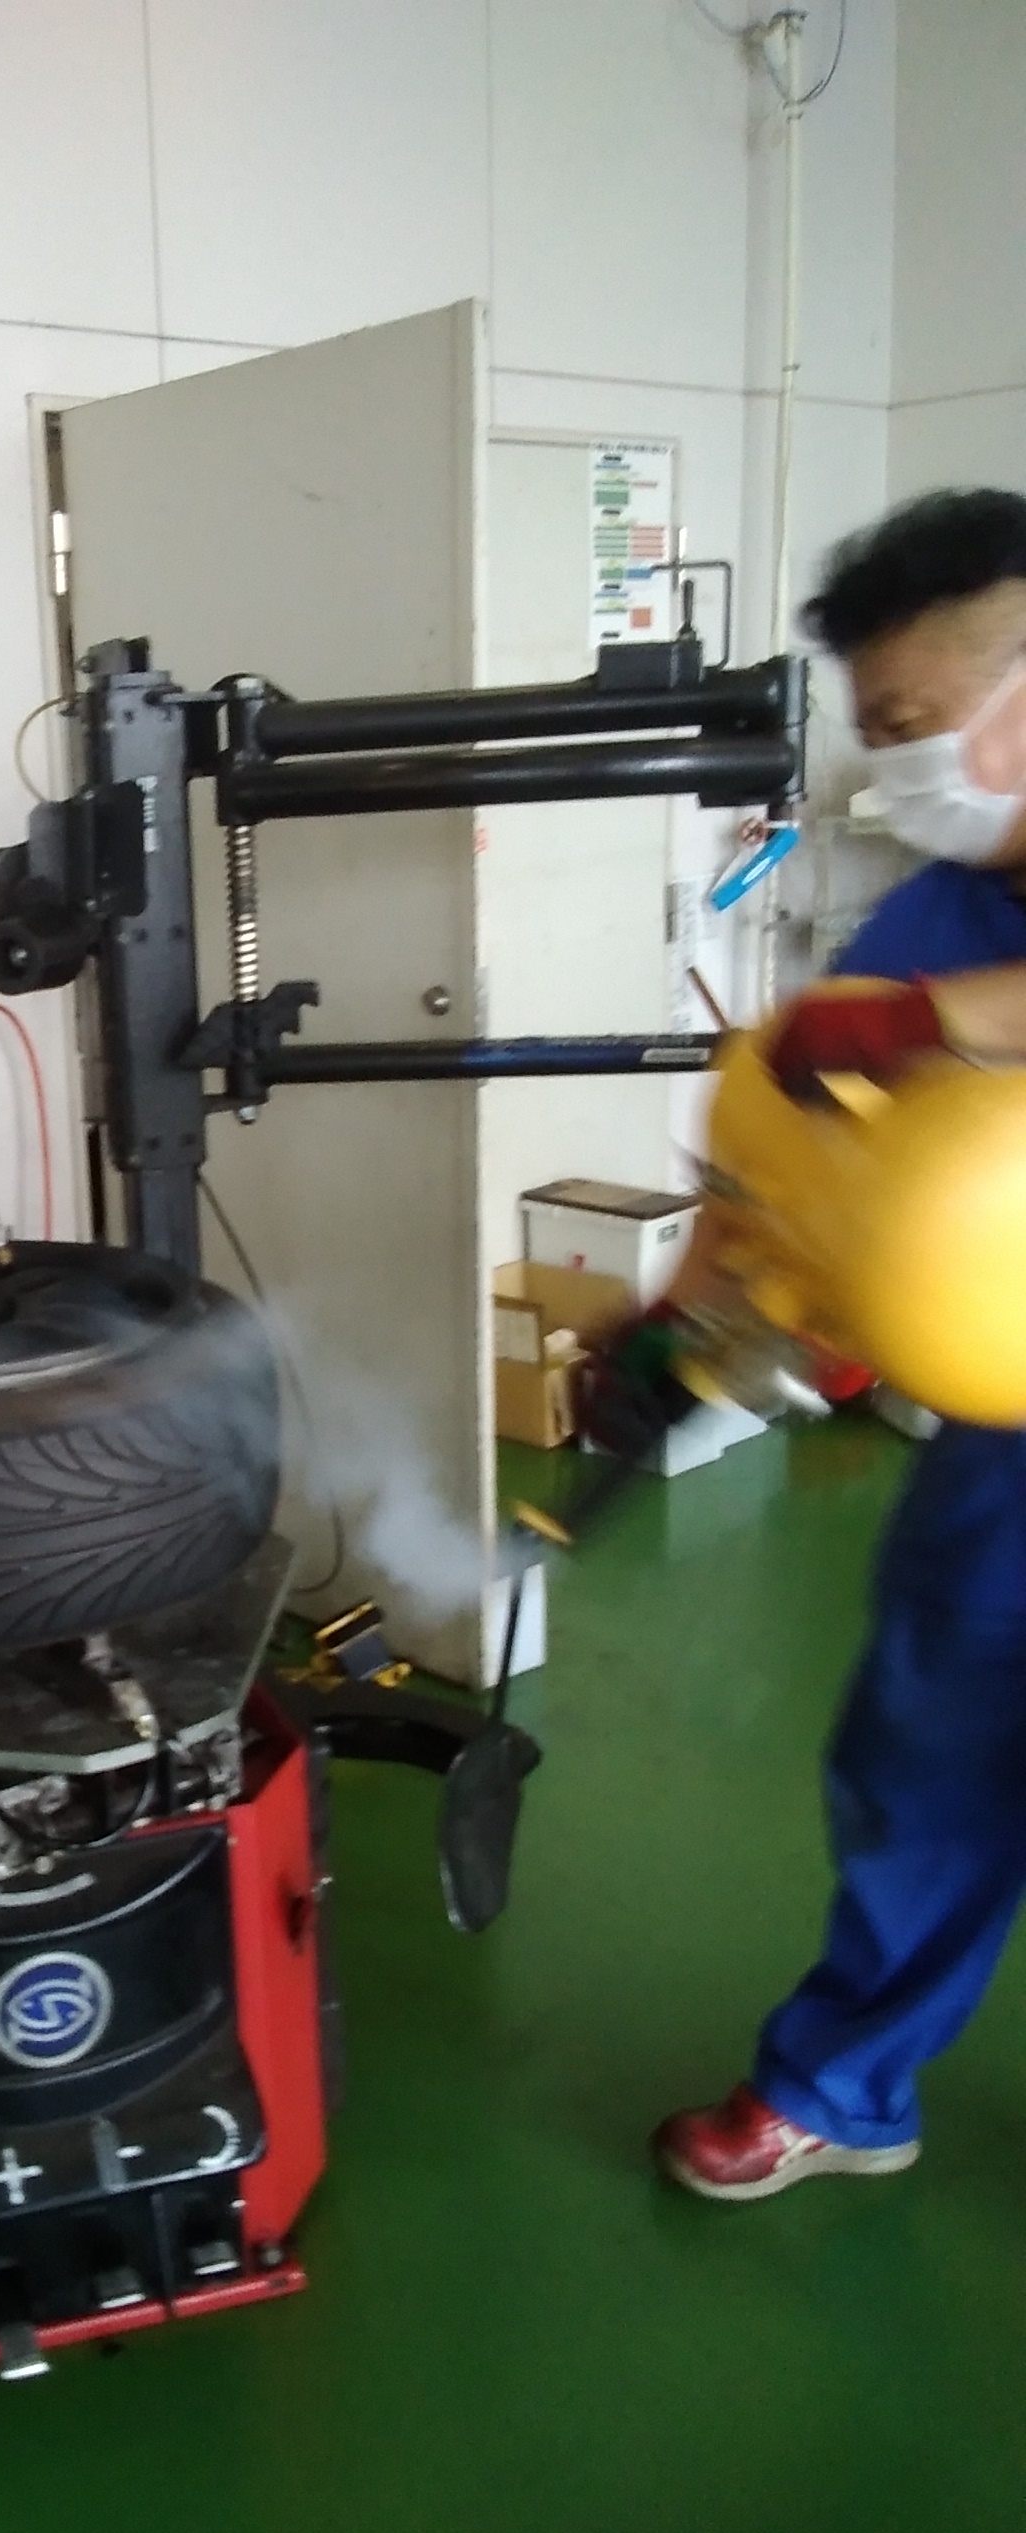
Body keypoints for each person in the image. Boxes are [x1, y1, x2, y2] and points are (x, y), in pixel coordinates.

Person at [652, 487, 1026, 2199]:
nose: (898, 763)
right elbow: (788, 1159)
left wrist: (936, 1025)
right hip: (1003, 1443)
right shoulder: (933, 917)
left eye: (917, 718)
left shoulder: (934, 977)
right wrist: (692, 1321)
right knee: (925, 1748)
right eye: (874, 728)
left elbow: (907, 1037)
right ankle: (842, 2082)